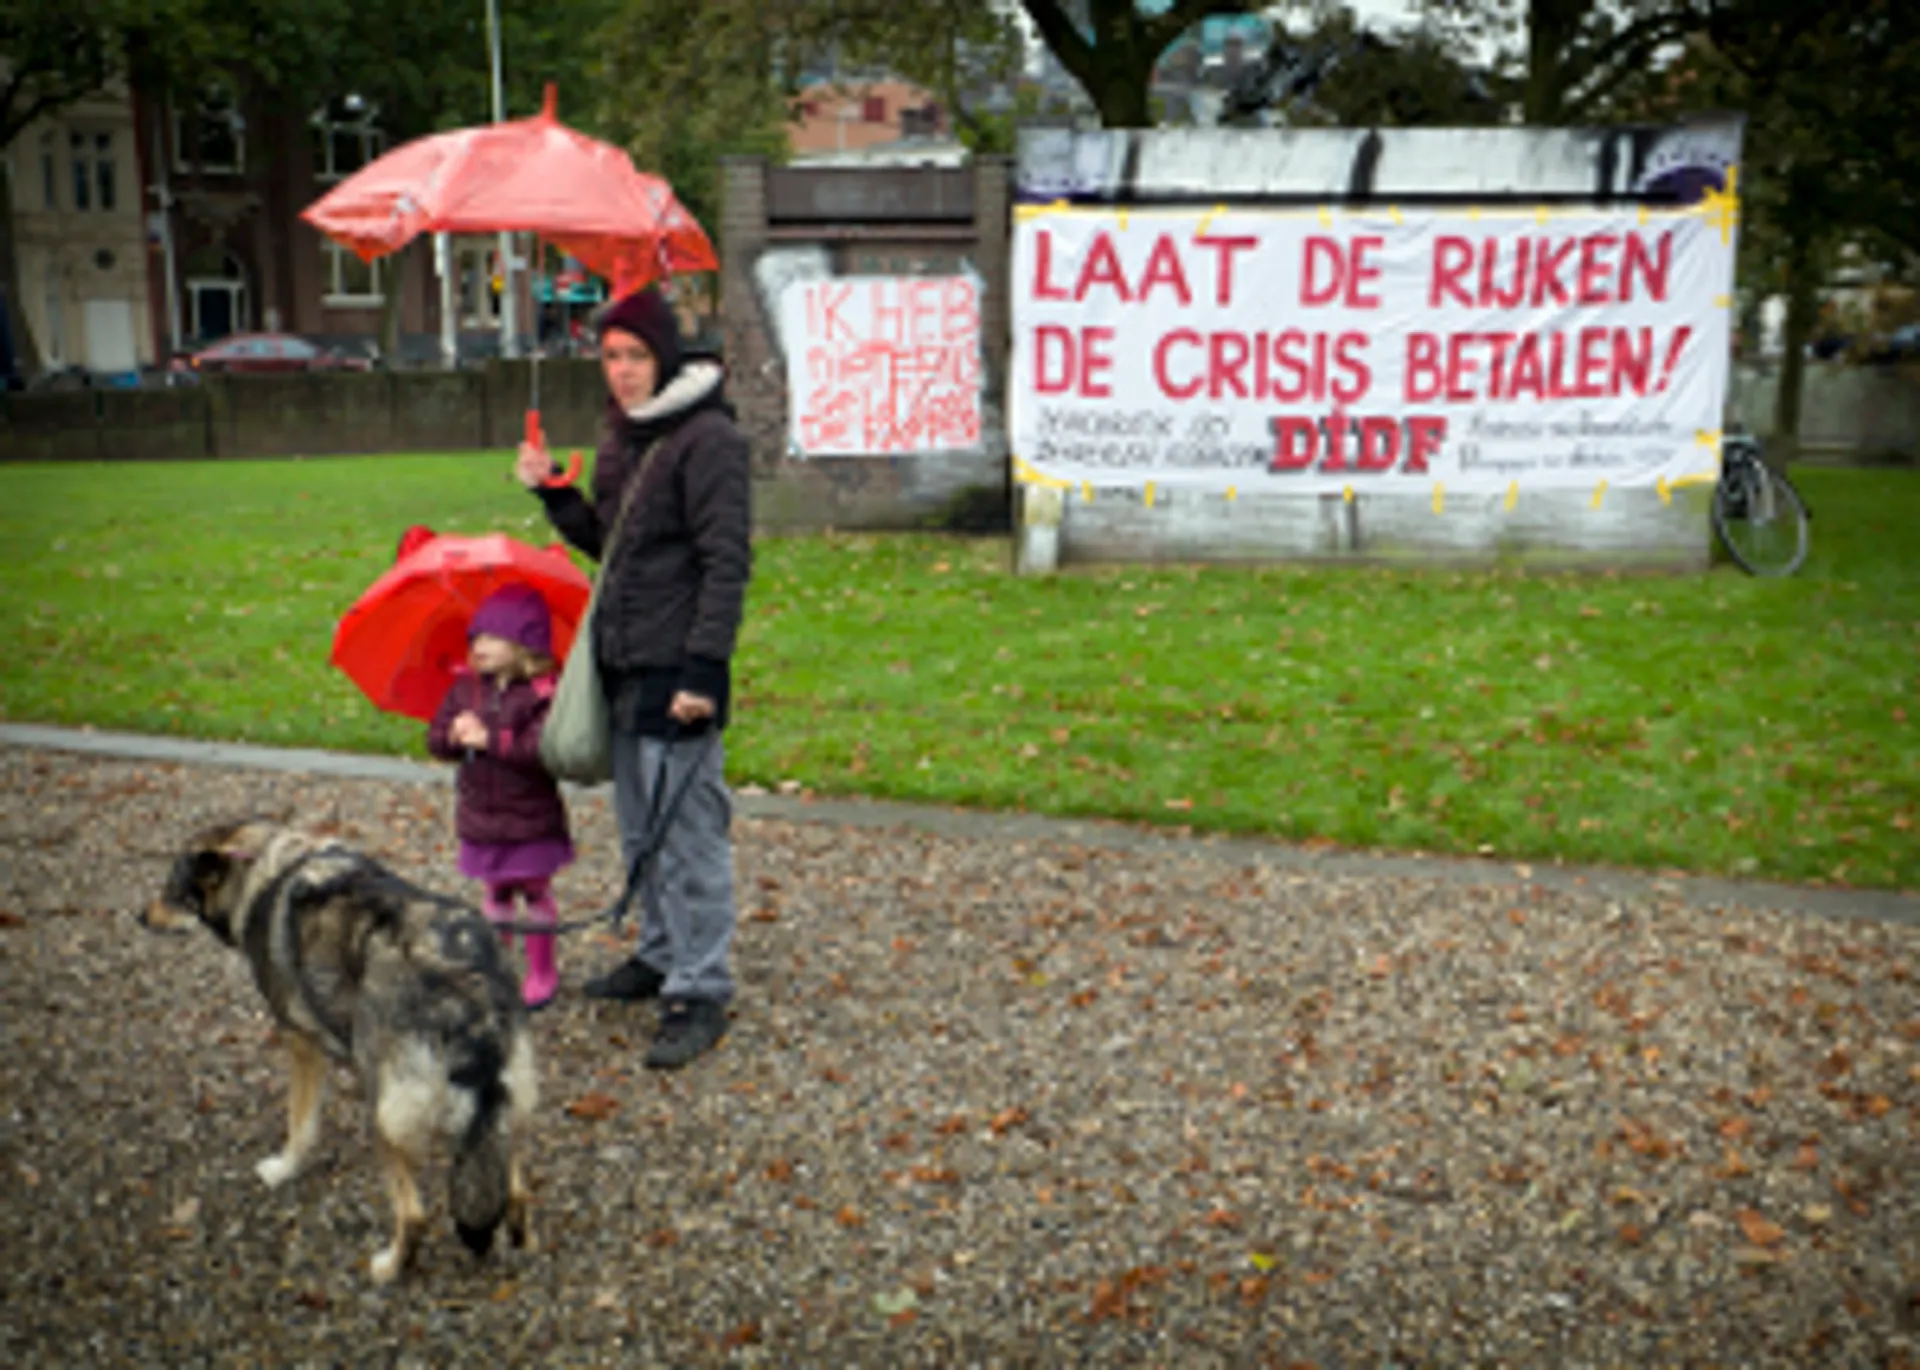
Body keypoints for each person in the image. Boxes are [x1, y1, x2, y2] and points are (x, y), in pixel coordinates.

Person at [514, 285, 751, 1070]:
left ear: (666, 357)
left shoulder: (707, 438)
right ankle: (659, 954)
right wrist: (554, 491)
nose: (621, 371)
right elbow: (613, 545)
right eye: (610, 356)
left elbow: (726, 561)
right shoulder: (626, 439)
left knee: (688, 836)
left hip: (676, 664)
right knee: (641, 826)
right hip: (621, 659)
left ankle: (700, 986)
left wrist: (704, 670)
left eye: (636, 355)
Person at [426, 584, 574, 1011]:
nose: (479, 647)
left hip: (530, 817)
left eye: (492, 638)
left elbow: (540, 751)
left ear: (525, 644)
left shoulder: (545, 694)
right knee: (495, 895)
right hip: (482, 815)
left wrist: (490, 738)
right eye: (476, 638)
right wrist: (453, 735)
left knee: (535, 892)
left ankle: (543, 970)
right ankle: (498, 967)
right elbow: (435, 740)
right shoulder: (465, 689)